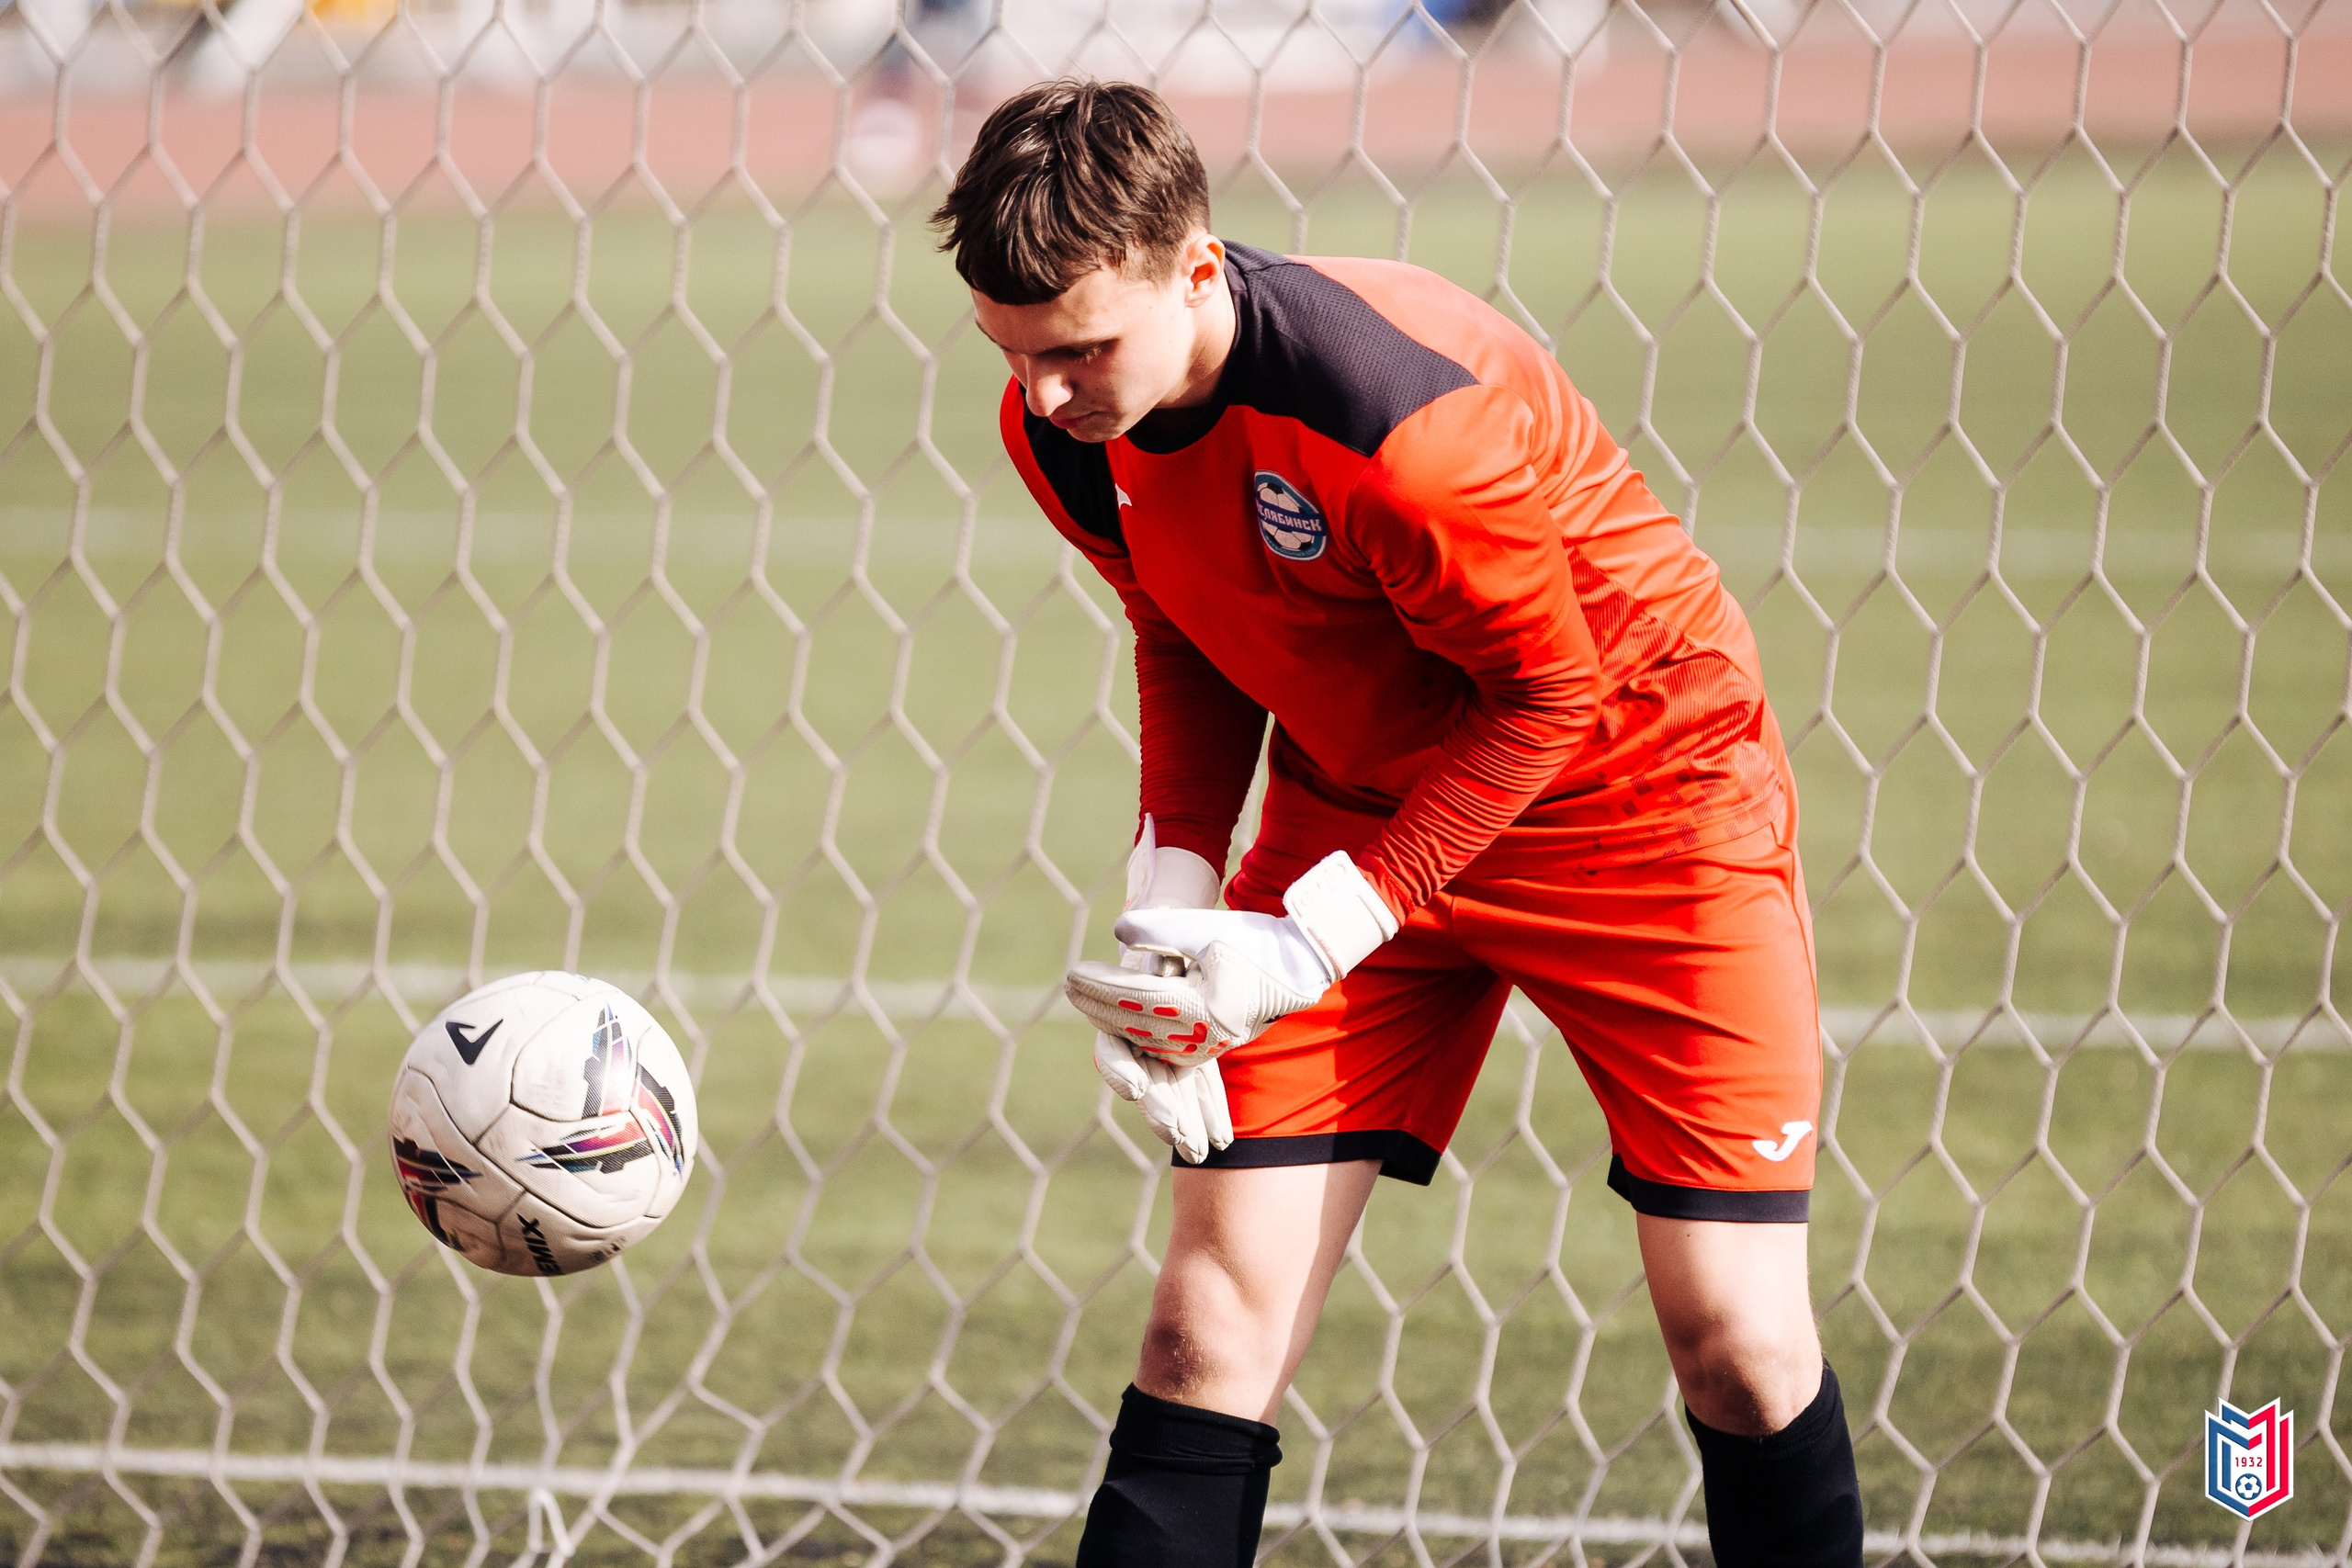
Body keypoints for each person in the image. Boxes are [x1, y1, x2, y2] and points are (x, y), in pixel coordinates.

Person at [931, 78, 1863, 1568]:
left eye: (1080, 351)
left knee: (1738, 1344)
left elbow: (1544, 699)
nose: (1045, 396)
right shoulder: (1067, 427)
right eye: (1014, 354)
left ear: (1198, 267)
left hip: (1642, 803)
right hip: (1361, 801)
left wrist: (1310, 941)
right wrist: (1175, 893)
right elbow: (1185, 621)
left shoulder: (1402, 423)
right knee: (1202, 1332)